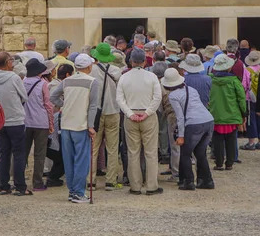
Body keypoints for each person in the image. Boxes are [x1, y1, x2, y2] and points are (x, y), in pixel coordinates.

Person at [50, 54, 99, 203]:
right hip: (81, 125)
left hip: (66, 124)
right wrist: (91, 126)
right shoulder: (92, 82)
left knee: (69, 159)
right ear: (89, 67)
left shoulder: (67, 81)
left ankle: (72, 191)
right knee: (81, 160)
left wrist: (64, 105)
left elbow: (53, 97)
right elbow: (92, 106)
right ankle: (78, 192)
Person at [116, 48, 163, 195]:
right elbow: (157, 97)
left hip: (131, 115)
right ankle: (151, 186)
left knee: (133, 152)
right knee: (150, 152)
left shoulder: (124, 77)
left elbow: (119, 99)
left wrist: (129, 114)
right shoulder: (152, 77)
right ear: (144, 61)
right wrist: (148, 112)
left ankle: (135, 186)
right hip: (148, 115)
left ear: (131, 61)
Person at [162, 68, 215, 190]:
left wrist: (181, 136)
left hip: (193, 124)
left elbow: (180, 117)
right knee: (200, 152)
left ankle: (188, 181)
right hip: (208, 120)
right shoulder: (191, 89)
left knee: (185, 154)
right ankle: (206, 180)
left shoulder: (173, 96)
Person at [0, 52, 30, 196]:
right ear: (8, 62)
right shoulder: (14, 78)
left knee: (3, 153)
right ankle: (20, 186)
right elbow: (24, 96)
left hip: (0, 120)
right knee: (19, 154)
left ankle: (4, 185)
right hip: (15, 119)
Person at [89, 43, 123, 191]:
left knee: (93, 148)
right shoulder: (117, 71)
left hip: (95, 112)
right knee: (112, 147)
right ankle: (111, 180)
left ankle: (90, 180)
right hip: (113, 111)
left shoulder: (91, 71)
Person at [209, 54, 246, 171]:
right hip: (232, 114)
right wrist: (244, 113)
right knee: (231, 139)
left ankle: (219, 163)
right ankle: (229, 163)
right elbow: (241, 98)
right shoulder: (234, 81)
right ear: (229, 67)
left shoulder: (210, 80)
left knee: (217, 140)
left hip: (215, 114)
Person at [22, 59, 54, 191]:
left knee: (22, 153)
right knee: (39, 154)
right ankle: (38, 182)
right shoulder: (43, 84)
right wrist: (51, 123)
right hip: (41, 122)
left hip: (25, 121)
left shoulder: (22, 82)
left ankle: (19, 180)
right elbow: (48, 105)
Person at [45, 64, 74, 188]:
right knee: (63, 158)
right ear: (68, 75)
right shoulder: (60, 86)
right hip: (53, 137)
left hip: (49, 135)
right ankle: (52, 178)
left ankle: (53, 177)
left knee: (61, 157)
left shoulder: (52, 85)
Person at [242, 51, 260, 150]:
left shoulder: (247, 70)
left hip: (250, 98)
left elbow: (244, 85)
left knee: (250, 119)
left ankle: (251, 142)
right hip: (259, 97)